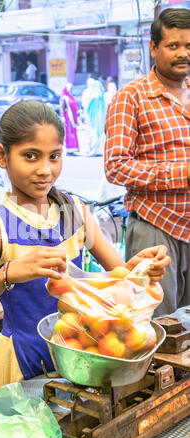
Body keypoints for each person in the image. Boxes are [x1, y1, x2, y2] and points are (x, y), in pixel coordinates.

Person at [0, 101, 170, 403]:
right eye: (30, 156)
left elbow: (121, 284)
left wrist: (140, 269)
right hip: (20, 368)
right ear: (1, 155)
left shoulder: (76, 213)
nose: (45, 170)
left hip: (82, 360)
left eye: (54, 156)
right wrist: (7, 274)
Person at [104, 7, 190, 317]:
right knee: (156, 324)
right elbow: (115, 166)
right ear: (153, 47)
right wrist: (182, 173)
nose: (183, 54)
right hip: (156, 228)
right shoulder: (132, 97)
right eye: (173, 46)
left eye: (189, 46)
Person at [82, 78, 106, 156]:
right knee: (99, 134)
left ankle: (93, 151)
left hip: (93, 118)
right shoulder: (102, 96)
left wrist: (85, 115)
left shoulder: (93, 96)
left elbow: (87, 107)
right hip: (100, 118)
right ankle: (98, 151)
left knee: (93, 134)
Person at [60, 83, 79, 154]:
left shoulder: (70, 97)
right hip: (68, 117)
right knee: (69, 132)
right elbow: (62, 107)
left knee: (73, 132)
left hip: (73, 118)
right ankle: (69, 149)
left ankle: (73, 148)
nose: (71, 90)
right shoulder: (64, 97)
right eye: (70, 88)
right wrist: (62, 117)